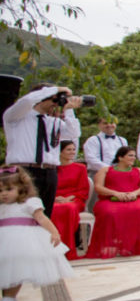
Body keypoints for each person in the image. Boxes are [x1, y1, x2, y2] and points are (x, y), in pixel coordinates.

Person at [0, 166, 75, 301]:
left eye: (9, 189)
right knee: (4, 270)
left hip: (21, 241)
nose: (4, 194)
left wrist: (54, 232)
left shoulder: (30, 203)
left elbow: (42, 218)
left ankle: (9, 300)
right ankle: (7, 300)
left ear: (22, 188)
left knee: (15, 270)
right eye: (0, 191)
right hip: (4, 240)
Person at [3, 84, 83, 216]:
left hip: (49, 172)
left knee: (44, 216)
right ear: (41, 98)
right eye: (53, 100)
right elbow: (27, 101)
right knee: (22, 214)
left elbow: (73, 133)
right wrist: (56, 90)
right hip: (24, 171)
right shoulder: (16, 117)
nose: (55, 104)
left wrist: (68, 110)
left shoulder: (52, 121)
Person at [85, 147, 140, 258]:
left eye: (134, 156)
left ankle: (133, 245)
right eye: (130, 155)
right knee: (109, 212)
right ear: (120, 157)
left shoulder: (139, 171)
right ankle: (109, 246)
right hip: (109, 200)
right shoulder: (106, 170)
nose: (133, 158)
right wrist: (115, 193)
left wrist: (134, 193)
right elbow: (98, 187)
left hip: (133, 199)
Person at [52, 141, 88, 260]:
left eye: (73, 149)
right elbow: (49, 187)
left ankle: (69, 248)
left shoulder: (80, 168)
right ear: (60, 152)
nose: (72, 152)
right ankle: (54, 247)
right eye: (69, 149)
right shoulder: (52, 168)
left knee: (68, 208)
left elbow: (83, 189)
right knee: (55, 209)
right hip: (55, 199)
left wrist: (69, 198)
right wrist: (55, 198)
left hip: (74, 199)